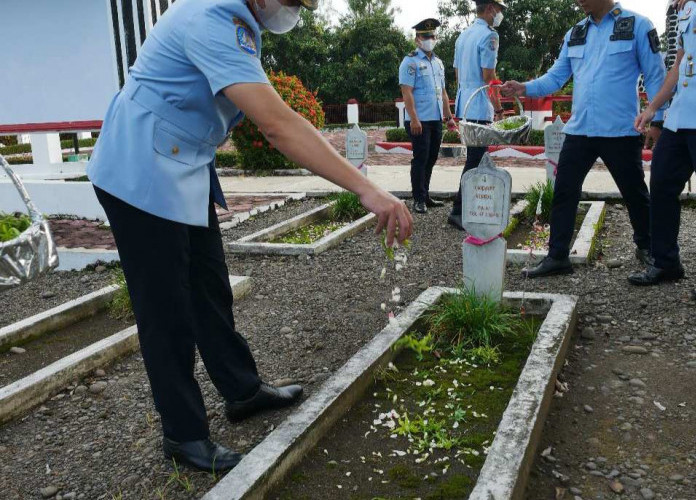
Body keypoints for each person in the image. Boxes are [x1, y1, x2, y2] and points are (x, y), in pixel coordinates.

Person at [86, 0, 413, 471]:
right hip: (139, 169)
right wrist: (367, 189)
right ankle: (184, 435)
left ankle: (240, 389)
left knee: (209, 287)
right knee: (166, 308)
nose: (293, 10)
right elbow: (277, 126)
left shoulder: (238, 19)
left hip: (183, 161)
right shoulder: (210, 19)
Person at [501, 0, 667, 277]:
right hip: (580, 131)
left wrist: (658, 119)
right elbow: (556, 78)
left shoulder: (638, 26)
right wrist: (524, 87)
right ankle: (557, 256)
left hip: (620, 130)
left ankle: (647, 246)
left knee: (635, 193)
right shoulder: (575, 33)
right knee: (564, 191)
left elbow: (655, 75)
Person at [628, 0, 696, 301]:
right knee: (661, 184)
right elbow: (679, 64)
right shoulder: (684, 11)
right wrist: (654, 108)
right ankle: (666, 262)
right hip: (681, 116)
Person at [448, 0, 506, 229]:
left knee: (476, 158)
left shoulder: (463, 36)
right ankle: (458, 209)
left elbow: (457, 74)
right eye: (499, 10)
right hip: (480, 105)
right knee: (475, 159)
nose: (500, 15)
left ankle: (469, 205)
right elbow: (489, 77)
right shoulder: (490, 36)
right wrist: (499, 108)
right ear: (490, 8)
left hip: (465, 104)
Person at [399, 18, 456, 214]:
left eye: (432, 36)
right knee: (420, 158)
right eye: (425, 36)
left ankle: (426, 194)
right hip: (419, 121)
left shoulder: (438, 63)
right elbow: (406, 92)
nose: (429, 39)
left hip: (435, 119)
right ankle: (418, 199)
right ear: (417, 39)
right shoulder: (410, 62)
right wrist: (414, 118)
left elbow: (443, 92)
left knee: (431, 158)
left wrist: (449, 117)